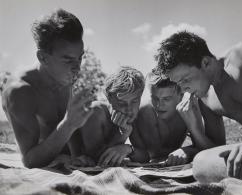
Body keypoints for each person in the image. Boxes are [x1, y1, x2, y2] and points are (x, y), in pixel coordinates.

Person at [1, 9, 94, 168]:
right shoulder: (20, 91)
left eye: (80, 57)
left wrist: (79, 156)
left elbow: (75, 134)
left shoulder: (64, 76)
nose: (77, 67)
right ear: (43, 57)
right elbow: (29, 160)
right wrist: (69, 124)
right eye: (68, 60)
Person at [155, 30, 242, 183]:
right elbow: (215, 148)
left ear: (206, 62)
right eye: (178, 84)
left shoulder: (241, 57)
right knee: (202, 162)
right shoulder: (205, 96)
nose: (183, 89)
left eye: (185, 80)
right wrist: (195, 128)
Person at [129, 70, 207, 166]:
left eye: (166, 99)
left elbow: (203, 147)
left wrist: (186, 151)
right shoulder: (139, 113)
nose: (159, 105)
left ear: (181, 95)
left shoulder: (188, 109)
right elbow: (141, 156)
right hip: (150, 167)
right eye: (155, 98)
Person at [72, 66, 145, 167]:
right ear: (109, 98)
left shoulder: (131, 114)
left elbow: (145, 155)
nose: (129, 108)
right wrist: (122, 134)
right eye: (122, 102)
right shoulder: (96, 112)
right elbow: (98, 160)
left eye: (134, 101)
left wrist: (128, 149)